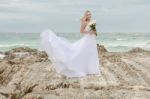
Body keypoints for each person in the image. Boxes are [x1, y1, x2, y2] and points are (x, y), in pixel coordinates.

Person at [40, 10, 101, 77]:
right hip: (87, 39)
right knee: (81, 52)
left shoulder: (92, 22)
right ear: (85, 15)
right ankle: (78, 66)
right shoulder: (84, 22)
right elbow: (81, 31)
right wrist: (89, 32)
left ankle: (91, 69)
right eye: (88, 14)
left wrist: (94, 32)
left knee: (91, 54)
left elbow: (95, 32)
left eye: (90, 14)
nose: (89, 16)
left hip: (92, 40)